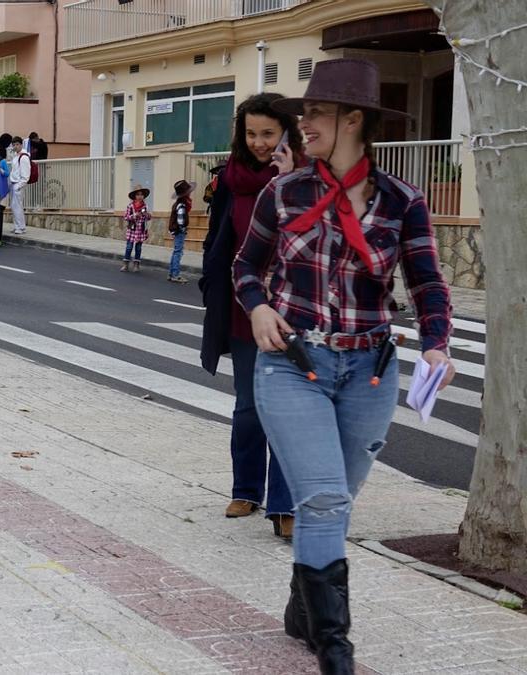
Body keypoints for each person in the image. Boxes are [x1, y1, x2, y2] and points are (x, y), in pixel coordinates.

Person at [233, 59, 455, 673]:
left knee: (331, 502)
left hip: (370, 372)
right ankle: (334, 642)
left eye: (315, 114)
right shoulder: (284, 192)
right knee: (326, 498)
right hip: (292, 362)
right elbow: (245, 267)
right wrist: (256, 308)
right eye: (303, 114)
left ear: (353, 120)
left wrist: (436, 343)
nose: (301, 125)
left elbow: (428, 283)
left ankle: (302, 608)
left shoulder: (402, 202)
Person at [200, 93, 303, 539]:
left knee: (287, 409)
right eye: (252, 134)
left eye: (269, 133)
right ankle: (246, 488)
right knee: (248, 407)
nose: (260, 143)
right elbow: (219, 238)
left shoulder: (306, 178)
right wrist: (211, 285)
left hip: (293, 307)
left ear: (286, 134)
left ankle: (285, 506)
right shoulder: (231, 179)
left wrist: (290, 181)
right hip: (245, 307)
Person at [167, 180, 194, 283]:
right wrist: (183, 229)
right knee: (178, 252)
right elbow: (181, 221)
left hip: (175, 230)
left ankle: (171, 273)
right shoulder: (182, 205)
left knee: (176, 252)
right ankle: (175, 275)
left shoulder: (178, 203)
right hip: (179, 231)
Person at [120, 185, 149, 272]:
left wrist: (147, 215)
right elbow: (126, 217)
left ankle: (136, 265)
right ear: (134, 196)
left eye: (141, 194)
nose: (140, 196)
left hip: (141, 230)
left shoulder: (145, 206)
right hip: (132, 230)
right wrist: (135, 215)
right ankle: (126, 264)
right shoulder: (130, 206)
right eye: (138, 195)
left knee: (138, 248)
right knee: (129, 247)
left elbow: (147, 219)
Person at [8, 136, 31, 235]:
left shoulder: (24, 157)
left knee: (17, 206)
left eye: (17, 144)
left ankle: (20, 227)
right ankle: (19, 226)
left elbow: (26, 175)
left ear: (21, 144)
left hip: (18, 184)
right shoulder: (16, 156)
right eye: (14, 145)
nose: (16, 146)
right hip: (14, 183)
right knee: (15, 206)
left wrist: (19, 185)